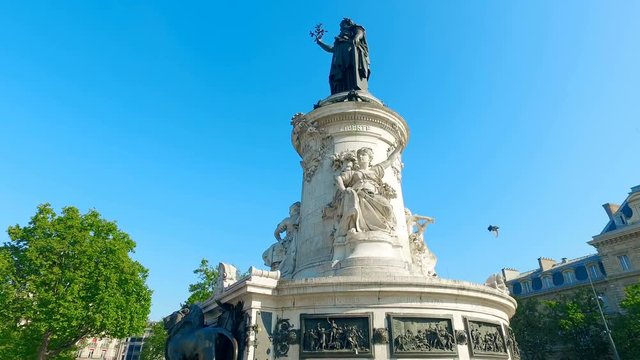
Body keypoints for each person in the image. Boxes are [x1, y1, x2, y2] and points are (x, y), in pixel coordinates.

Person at [315, 18, 370, 94]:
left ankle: (355, 89)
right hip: (340, 62)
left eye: (342, 25)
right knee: (341, 77)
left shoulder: (355, 29)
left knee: (352, 73)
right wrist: (320, 43)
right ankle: (341, 91)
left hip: (352, 57)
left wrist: (357, 37)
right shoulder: (339, 39)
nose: (341, 28)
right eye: (340, 27)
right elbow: (331, 49)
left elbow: (360, 33)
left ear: (348, 24)